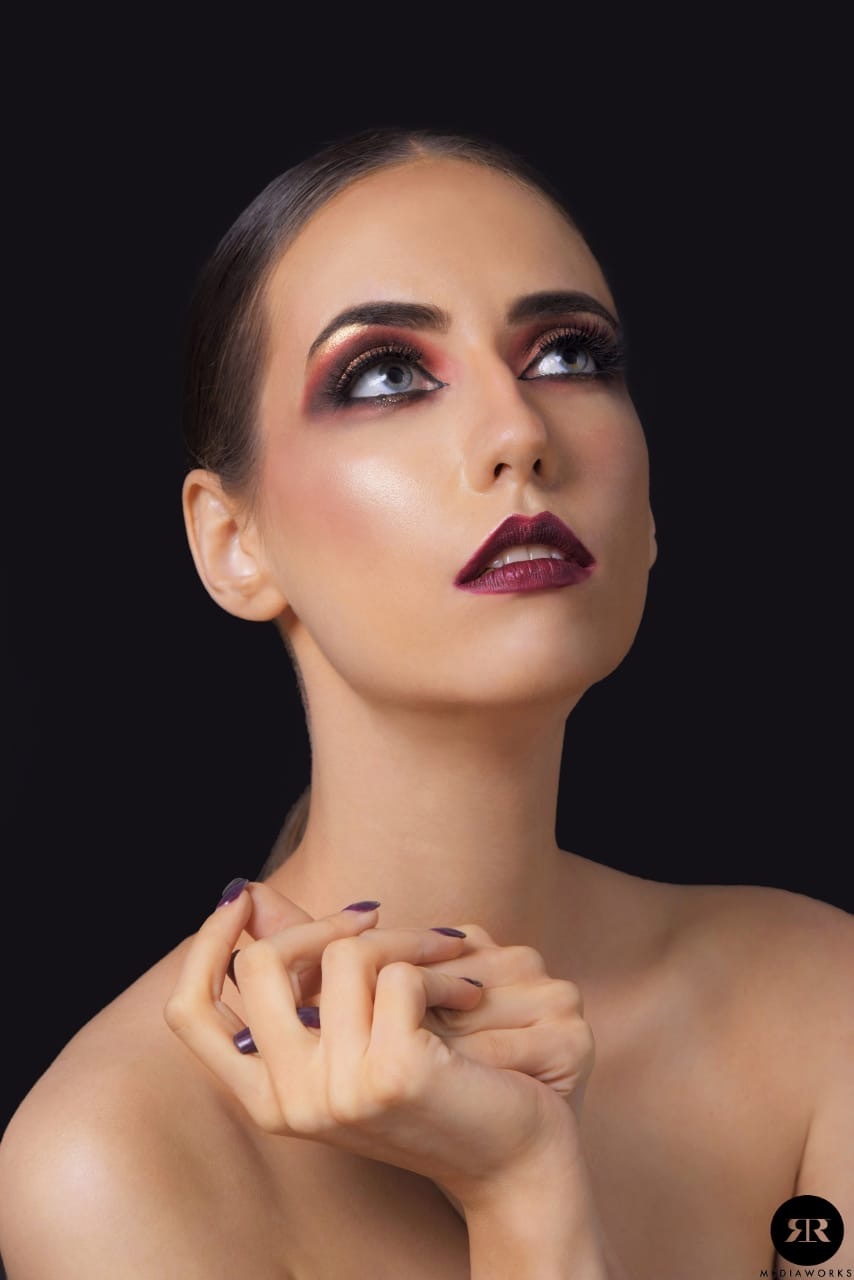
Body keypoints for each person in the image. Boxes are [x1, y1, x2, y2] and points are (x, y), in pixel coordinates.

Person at [0, 125, 851, 1279]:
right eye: (385, 374)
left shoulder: (822, 1003)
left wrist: (523, 1181)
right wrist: (518, 1187)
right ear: (234, 542)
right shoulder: (118, 1158)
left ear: (648, 514)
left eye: (567, 355)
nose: (519, 434)